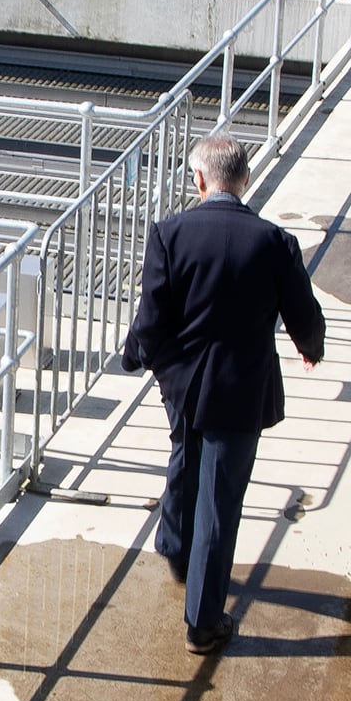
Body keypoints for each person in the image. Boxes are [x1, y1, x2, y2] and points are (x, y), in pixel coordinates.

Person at [119, 134, 327, 654]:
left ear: (200, 180)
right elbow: (302, 311)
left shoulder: (170, 233)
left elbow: (152, 315)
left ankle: (173, 549)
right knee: (219, 497)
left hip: (183, 380)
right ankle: (203, 622)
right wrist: (311, 345)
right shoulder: (274, 241)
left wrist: (146, 358)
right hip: (240, 385)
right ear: (246, 180)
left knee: (184, 461)